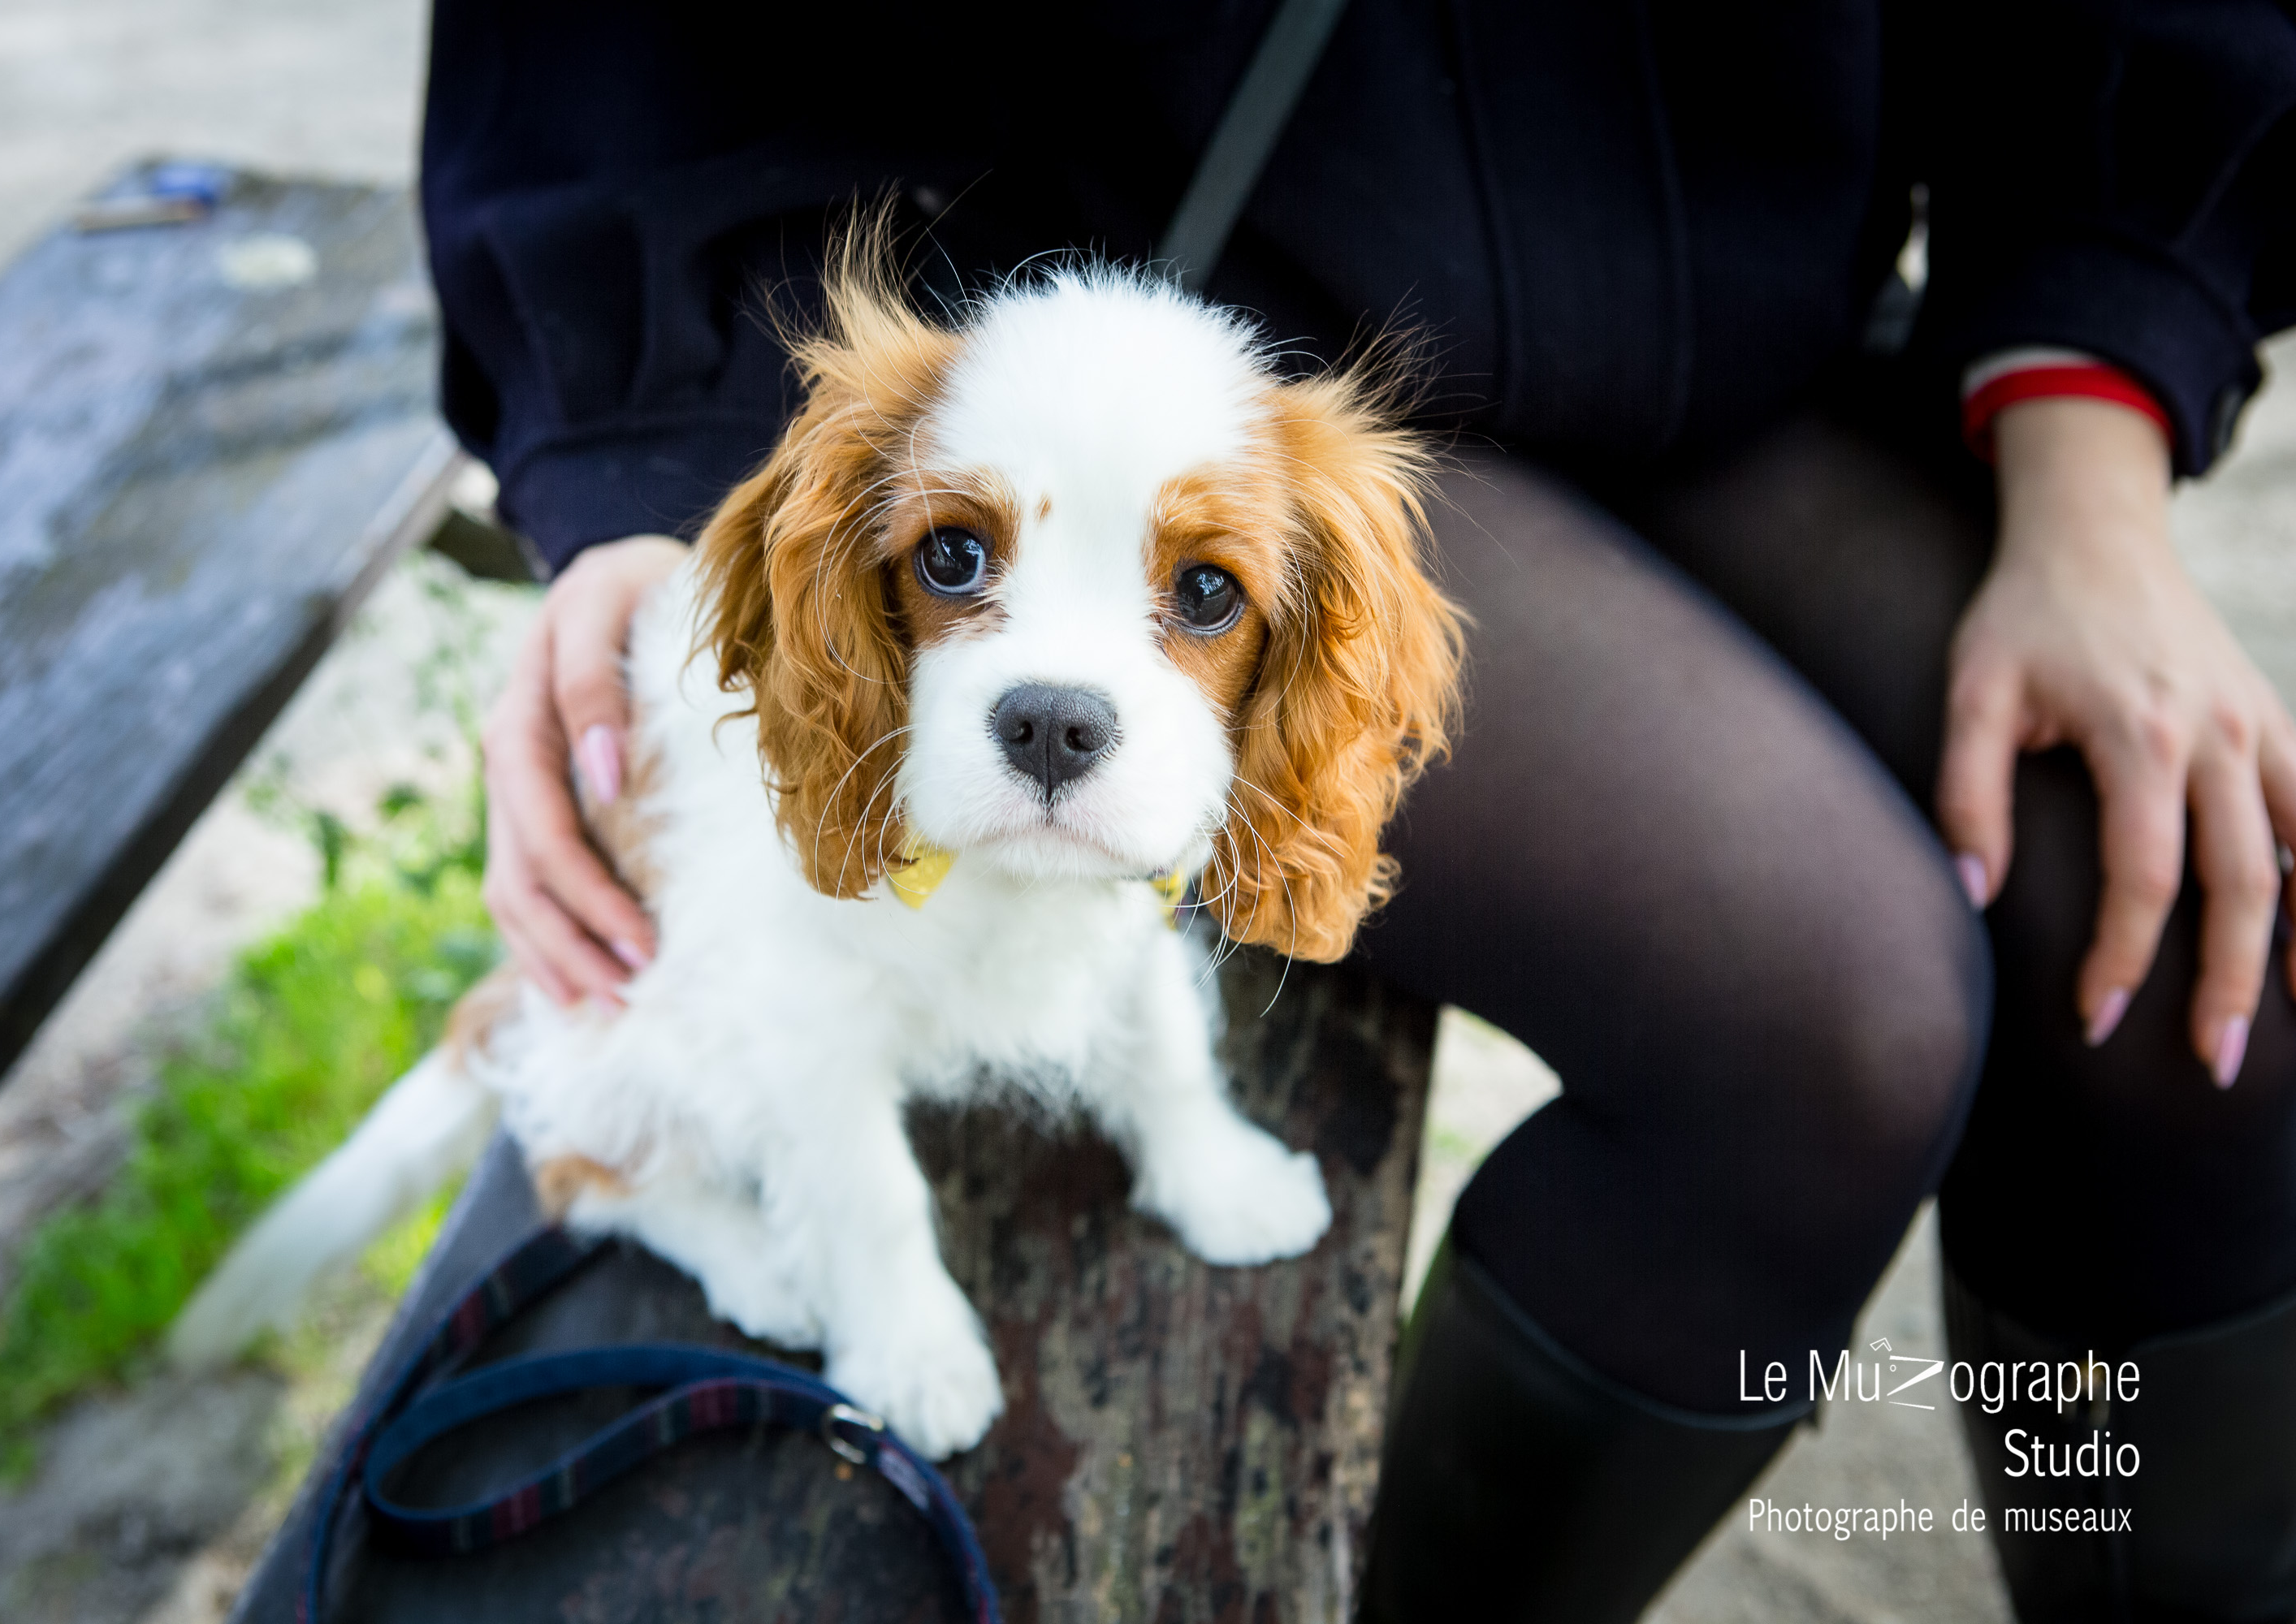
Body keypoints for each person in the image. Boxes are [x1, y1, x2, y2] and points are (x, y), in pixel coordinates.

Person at [420, 2, 2296, 1617]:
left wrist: (2096, 444)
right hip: (1169, 335)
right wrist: (653, 449)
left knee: (2197, 949)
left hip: (1742, 297)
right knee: (1836, 1025)